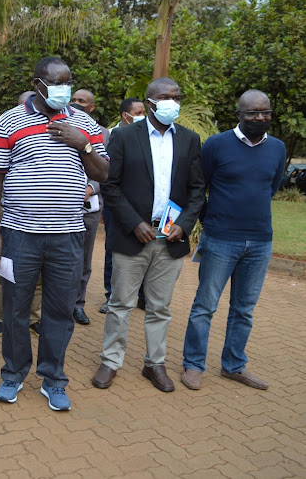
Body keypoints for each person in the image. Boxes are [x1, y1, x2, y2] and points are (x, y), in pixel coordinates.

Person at [0, 57, 109, 411]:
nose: (63, 89)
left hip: (68, 234)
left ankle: (53, 378)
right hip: (19, 233)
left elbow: (104, 173)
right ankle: (13, 372)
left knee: (59, 309)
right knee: (15, 308)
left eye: (68, 82)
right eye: (56, 82)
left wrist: (81, 143)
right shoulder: (9, 120)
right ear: (38, 83)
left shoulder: (84, 123)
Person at [92, 77, 205, 393]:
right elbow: (110, 186)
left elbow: (197, 190)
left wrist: (184, 223)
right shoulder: (125, 136)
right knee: (121, 303)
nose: (173, 102)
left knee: (160, 307)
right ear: (151, 101)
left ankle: (154, 363)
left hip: (171, 236)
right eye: (167, 96)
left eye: (177, 96)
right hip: (134, 235)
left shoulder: (189, 139)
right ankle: (110, 361)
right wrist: (133, 222)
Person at [180, 90, 285, 391]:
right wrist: (209, 220)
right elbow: (199, 187)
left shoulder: (277, 148)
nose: (260, 118)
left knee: (244, 309)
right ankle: (193, 364)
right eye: (253, 113)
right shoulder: (216, 145)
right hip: (221, 239)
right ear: (239, 113)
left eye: (265, 112)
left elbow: (272, 187)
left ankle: (234, 365)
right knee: (205, 306)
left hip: (261, 241)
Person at [0, 90, 42, 338]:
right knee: (4, 270)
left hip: (40, 219)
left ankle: (33, 317)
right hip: (7, 212)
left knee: (38, 276)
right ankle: (2, 317)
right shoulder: (7, 126)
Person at [68, 89, 112, 326]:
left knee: (84, 260)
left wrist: (91, 189)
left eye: (82, 102)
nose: (77, 104)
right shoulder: (59, 126)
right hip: (62, 207)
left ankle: (78, 305)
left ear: (92, 107)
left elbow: (106, 167)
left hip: (90, 206)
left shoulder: (103, 133)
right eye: (74, 100)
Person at [100, 97, 147, 314]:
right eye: (137, 112)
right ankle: (111, 295)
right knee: (114, 248)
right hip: (116, 203)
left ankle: (143, 295)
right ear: (125, 116)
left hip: (143, 202)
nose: (142, 116)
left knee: (148, 247)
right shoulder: (111, 135)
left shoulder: (150, 134)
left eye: (143, 111)